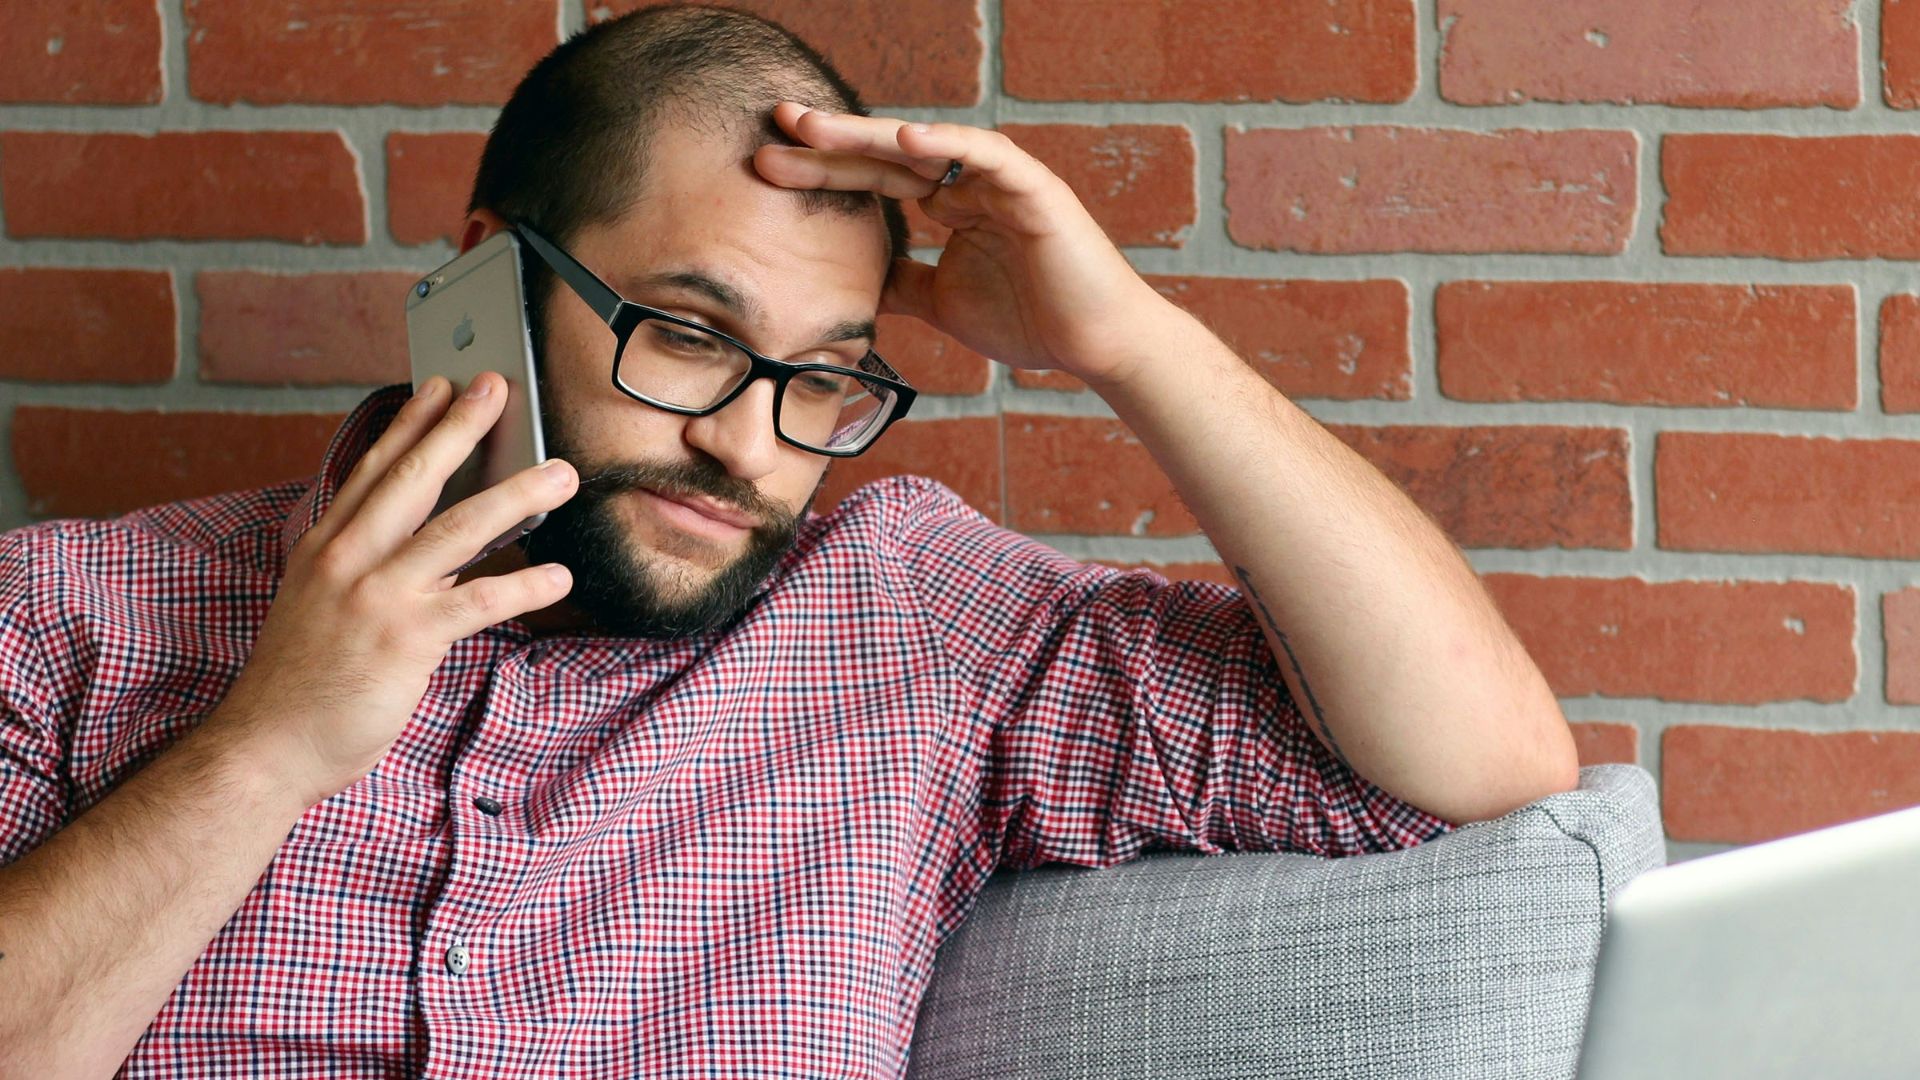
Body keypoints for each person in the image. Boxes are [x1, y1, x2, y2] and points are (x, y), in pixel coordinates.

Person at [0, 5, 1578, 1077]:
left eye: (822, 378)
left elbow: (1484, 760)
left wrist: (1127, 344)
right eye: (688, 337)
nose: (751, 452)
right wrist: (268, 748)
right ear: (488, 281)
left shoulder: (916, 627)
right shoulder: (71, 616)